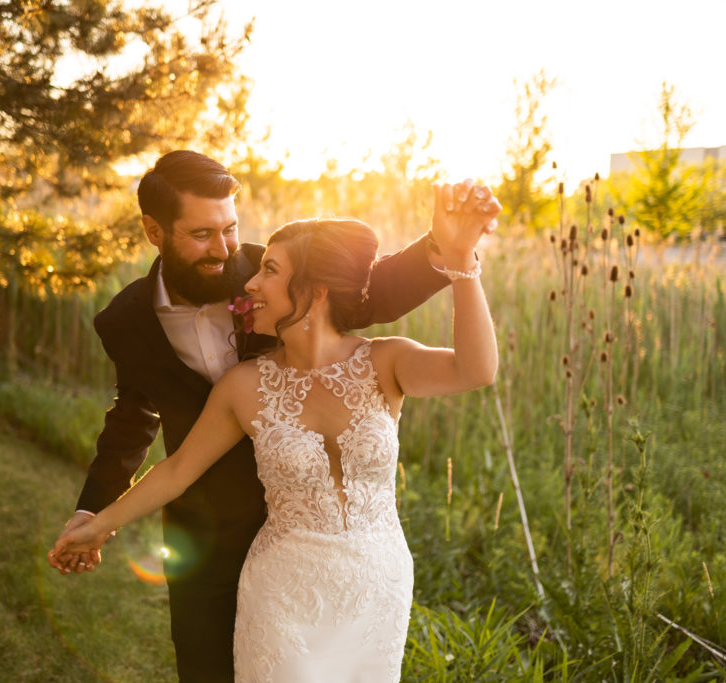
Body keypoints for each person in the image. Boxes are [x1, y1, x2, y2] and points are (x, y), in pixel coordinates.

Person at [50, 178, 500, 681]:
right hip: (280, 587)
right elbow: (175, 469)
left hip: (379, 584)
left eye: (268, 270)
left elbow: (475, 370)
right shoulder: (243, 386)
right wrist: (96, 522)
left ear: (316, 287)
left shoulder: (386, 360)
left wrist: (458, 258)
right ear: (156, 230)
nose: (247, 282)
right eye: (203, 232)